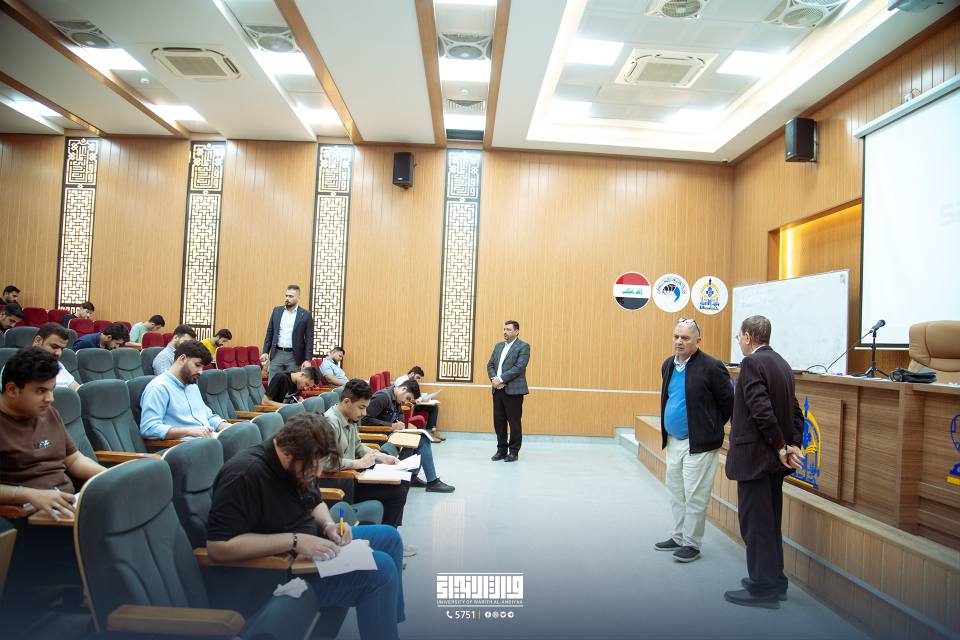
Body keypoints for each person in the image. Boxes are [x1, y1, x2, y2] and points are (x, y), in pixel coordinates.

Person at [206, 412, 404, 640]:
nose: (318, 473)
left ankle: (387, 622)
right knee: (381, 569)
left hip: (309, 547)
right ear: (287, 453)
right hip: (280, 573)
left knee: (389, 537)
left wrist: (328, 525)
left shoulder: (300, 461)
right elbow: (218, 547)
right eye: (314, 468)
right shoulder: (243, 475)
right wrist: (295, 541)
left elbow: (315, 501)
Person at [724, 315, 804, 609]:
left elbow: (761, 410)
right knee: (769, 523)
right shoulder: (782, 364)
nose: (739, 342)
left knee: (755, 525)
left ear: (747, 336)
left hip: (755, 459)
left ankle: (763, 589)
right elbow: (796, 412)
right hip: (773, 461)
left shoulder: (752, 364)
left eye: (739, 337)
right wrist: (792, 445)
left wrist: (782, 446)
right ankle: (775, 581)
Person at [655, 318, 733, 563]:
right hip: (674, 441)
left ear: (697, 341)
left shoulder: (712, 367)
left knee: (695, 494)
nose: (679, 341)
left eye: (685, 338)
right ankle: (678, 536)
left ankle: (692, 543)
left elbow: (728, 403)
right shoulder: (668, 364)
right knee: (676, 491)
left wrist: (710, 427)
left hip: (698, 443)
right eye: (676, 336)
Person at [0, 348, 107, 518]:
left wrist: (108, 476)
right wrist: (29, 495)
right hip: (28, 514)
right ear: (12, 389)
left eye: (52, 390)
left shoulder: (49, 413)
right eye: (41, 391)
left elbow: (73, 459)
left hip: (68, 502)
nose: (50, 398)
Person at [324, 379, 412, 533]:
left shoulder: (349, 418)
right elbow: (326, 462)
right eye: (361, 408)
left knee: (403, 480)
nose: (364, 413)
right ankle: (386, 535)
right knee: (396, 493)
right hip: (340, 483)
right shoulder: (329, 423)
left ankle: (388, 532)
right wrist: (357, 464)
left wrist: (380, 456)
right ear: (346, 402)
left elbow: (358, 445)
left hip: (352, 476)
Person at [362, 379, 454, 493]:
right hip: (378, 437)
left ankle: (413, 477)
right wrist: (391, 425)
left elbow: (399, 415)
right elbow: (364, 420)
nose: (407, 402)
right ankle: (432, 482)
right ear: (403, 389)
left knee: (421, 437)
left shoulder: (396, 399)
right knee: (420, 440)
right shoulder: (382, 397)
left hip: (390, 433)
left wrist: (400, 424)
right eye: (408, 398)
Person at [139, 339, 228, 440]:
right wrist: (189, 431)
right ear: (182, 359)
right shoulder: (158, 388)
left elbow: (208, 416)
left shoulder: (192, 386)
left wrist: (225, 426)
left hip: (208, 441)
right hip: (184, 446)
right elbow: (149, 428)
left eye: (202, 367)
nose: (200, 372)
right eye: (197, 365)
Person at [486, 320, 530, 462]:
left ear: (516, 332)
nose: (505, 332)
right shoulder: (498, 346)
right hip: (497, 389)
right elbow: (490, 365)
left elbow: (519, 367)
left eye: (508, 329)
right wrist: (495, 380)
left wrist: (501, 379)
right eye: (504, 329)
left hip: (513, 391)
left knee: (514, 422)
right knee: (499, 422)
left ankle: (514, 452)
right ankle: (501, 450)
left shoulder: (523, 346)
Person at [262, 285, 314, 383]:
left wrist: (308, 359)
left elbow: (309, 339)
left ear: (298, 298)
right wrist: (265, 351)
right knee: (273, 384)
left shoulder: (306, 315)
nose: (287, 298)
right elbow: (270, 332)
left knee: (291, 385)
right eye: (286, 295)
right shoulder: (277, 311)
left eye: (291, 296)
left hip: (294, 356)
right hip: (277, 354)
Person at [393, 366, 441, 435]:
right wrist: (417, 400)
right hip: (408, 405)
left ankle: (430, 431)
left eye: (419, 378)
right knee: (434, 407)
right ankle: (430, 431)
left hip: (412, 404)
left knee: (434, 406)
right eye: (417, 377)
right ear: (412, 374)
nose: (418, 380)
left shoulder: (410, 382)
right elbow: (403, 397)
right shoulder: (401, 380)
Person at [31, 323, 80, 390]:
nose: (59, 353)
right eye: (54, 346)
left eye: (62, 349)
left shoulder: (58, 364)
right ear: (38, 340)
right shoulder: (22, 366)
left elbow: (78, 389)